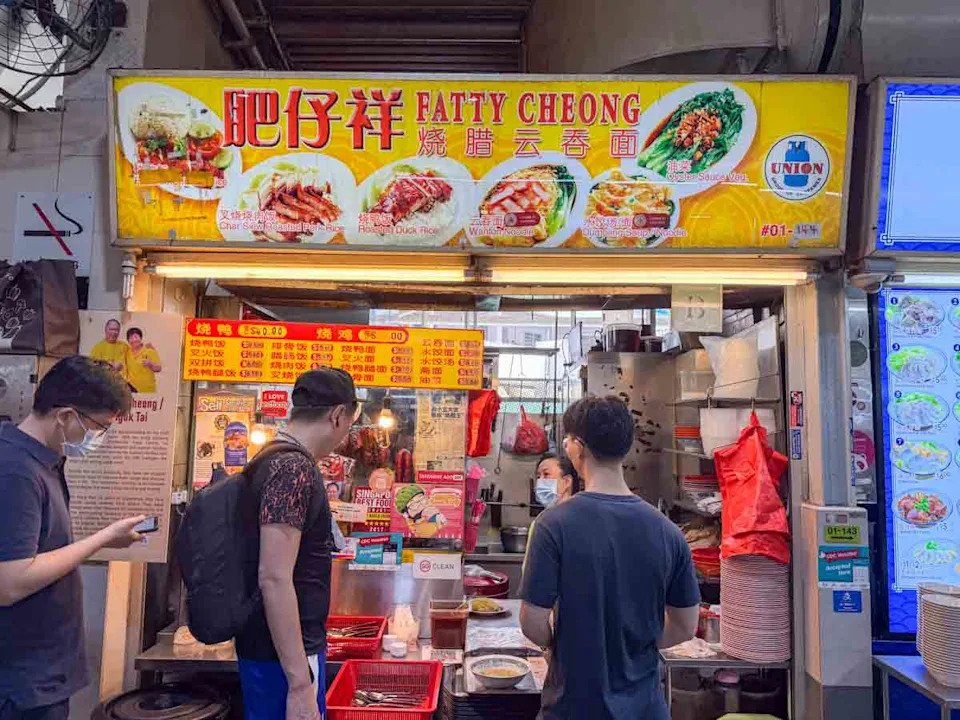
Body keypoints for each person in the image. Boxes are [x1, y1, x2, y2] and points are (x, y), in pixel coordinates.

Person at [520, 396, 700, 720]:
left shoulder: (553, 525)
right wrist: (633, 644)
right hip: (646, 710)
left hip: (573, 708)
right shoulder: (669, 533)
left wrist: (557, 644)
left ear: (577, 447)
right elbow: (686, 626)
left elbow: (532, 624)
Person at [0, 356, 149, 720]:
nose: (100, 438)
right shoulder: (15, 470)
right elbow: (10, 581)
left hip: (44, 673)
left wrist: (105, 540)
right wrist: (100, 539)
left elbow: (38, 550)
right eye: (100, 427)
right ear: (65, 415)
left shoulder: (45, 461)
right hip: (23, 682)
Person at [237, 368, 361, 720]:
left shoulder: (272, 459)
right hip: (284, 659)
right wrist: (300, 685)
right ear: (338, 415)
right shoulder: (293, 469)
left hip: (274, 651)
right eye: (350, 423)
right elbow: (274, 577)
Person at [523, 454, 581, 575]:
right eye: (538, 476)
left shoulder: (552, 522)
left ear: (566, 481)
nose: (540, 481)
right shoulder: (543, 520)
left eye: (546, 475)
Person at [124, 327, 162, 393]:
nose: (134, 340)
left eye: (136, 337)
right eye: (131, 338)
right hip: (131, 391)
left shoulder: (149, 351)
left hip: (147, 391)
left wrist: (150, 364)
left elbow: (159, 368)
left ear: (141, 338)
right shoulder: (127, 352)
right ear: (128, 340)